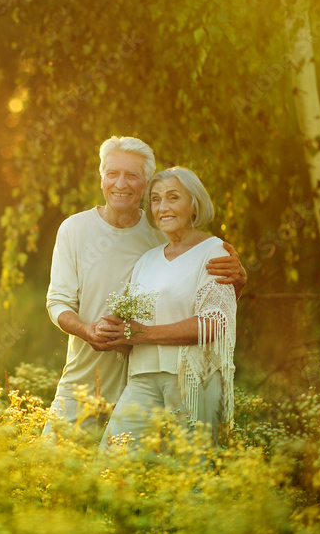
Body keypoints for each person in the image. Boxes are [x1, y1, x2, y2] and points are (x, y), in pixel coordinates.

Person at [43, 138, 245, 436]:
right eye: (112, 173)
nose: (120, 184)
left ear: (146, 183)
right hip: (83, 381)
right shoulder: (74, 229)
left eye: (132, 175)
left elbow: (205, 296)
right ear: (101, 178)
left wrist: (238, 278)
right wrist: (87, 330)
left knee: (138, 475)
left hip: (145, 382)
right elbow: (57, 301)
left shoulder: (163, 232)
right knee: (52, 468)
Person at [97, 166, 238, 451]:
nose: (163, 207)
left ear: (194, 204)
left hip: (192, 379)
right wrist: (114, 334)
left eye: (173, 198)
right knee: (113, 461)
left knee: (190, 475)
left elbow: (214, 323)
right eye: (156, 199)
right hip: (142, 376)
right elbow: (134, 330)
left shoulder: (215, 252)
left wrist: (145, 334)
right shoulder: (147, 260)